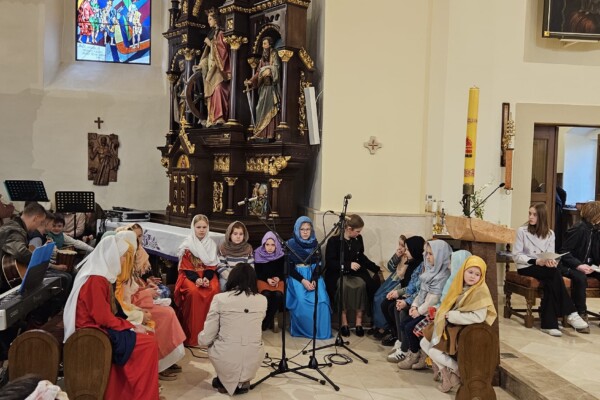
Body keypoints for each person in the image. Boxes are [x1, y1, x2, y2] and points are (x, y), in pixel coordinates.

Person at [62, 233, 160, 400]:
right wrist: (131, 326)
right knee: (147, 343)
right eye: (122, 256)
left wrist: (130, 325)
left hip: (98, 326)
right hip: (92, 330)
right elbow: (102, 318)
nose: (123, 260)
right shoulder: (96, 280)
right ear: (111, 257)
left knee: (147, 337)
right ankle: (140, 395)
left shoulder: (102, 276)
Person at [115, 229, 186, 380]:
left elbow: (133, 287)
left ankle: (167, 359)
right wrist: (146, 294)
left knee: (167, 311)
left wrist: (146, 288)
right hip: (128, 309)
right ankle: (160, 364)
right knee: (165, 315)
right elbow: (122, 300)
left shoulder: (127, 262)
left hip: (135, 303)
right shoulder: (119, 266)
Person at [420, 256, 497, 393]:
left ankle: (458, 370)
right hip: (451, 323)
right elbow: (448, 303)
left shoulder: (480, 291)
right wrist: (441, 311)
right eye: (470, 272)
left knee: (433, 351)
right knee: (424, 343)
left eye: (477, 274)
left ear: (482, 276)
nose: (473, 276)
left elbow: (479, 317)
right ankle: (446, 374)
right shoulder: (460, 285)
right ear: (463, 271)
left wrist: (454, 316)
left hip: (464, 329)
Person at [513, 203, 588, 336]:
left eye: (534, 215)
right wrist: (536, 261)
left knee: (551, 279)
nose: (530, 217)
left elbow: (550, 254)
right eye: (530, 213)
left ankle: (549, 325)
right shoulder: (522, 231)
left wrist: (550, 261)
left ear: (542, 216)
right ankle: (571, 313)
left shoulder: (550, 234)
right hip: (527, 266)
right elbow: (517, 255)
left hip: (544, 268)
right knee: (553, 274)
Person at [199, 263, 267, 396]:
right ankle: (242, 379)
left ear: (232, 278)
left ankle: (225, 379)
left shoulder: (220, 298)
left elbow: (208, 334)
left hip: (226, 355)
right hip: (253, 357)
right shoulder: (263, 300)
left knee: (211, 340)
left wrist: (202, 340)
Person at [397, 240, 451, 370]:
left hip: (431, 311)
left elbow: (433, 300)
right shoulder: (431, 270)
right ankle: (413, 351)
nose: (427, 257)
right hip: (422, 307)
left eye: (431, 254)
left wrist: (419, 311)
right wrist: (414, 306)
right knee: (404, 323)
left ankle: (417, 355)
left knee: (410, 327)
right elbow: (421, 292)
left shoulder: (443, 275)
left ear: (440, 256)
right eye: (426, 253)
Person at [325, 214, 380, 337]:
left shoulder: (358, 239)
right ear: (349, 229)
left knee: (362, 285)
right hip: (338, 272)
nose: (359, 234)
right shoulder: (334, 241)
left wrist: (375, 267)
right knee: (343, 287)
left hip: (355, 272)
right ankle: (344, 323)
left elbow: (361, 257)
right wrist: (348, 265)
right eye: (357, 231)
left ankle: (358, 322)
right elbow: (330, 262)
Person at [174, 214, 220, 347]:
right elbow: (186, 267)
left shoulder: (211, 244)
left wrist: (206, 278)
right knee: (194, 292)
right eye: (198, 227)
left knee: (214, 289)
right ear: (193, 227)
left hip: (206, 275)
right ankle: (192, 336)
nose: (201, 230)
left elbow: (212, 265)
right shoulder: (187, 245)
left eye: (204, 227)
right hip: (189, 275)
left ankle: (210, 334)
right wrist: (196, 280)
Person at [286, 216, 332, 339]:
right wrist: (303, 281)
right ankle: (304, 330)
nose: (305, 232)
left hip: (313, 276)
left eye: (308, 229)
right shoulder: (290, 244)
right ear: (297, 230)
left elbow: (319, 264)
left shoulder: (315, 244)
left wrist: (314, 279)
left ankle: (321, 332)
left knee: (322, 301)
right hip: (297, 277)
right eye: (302, 229)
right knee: (302, 301)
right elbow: (289, 268)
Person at [380, 236, 426, 352]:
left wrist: (406, 300)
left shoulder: (421, 265)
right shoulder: (411, 262)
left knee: (396, 308)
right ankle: (397, 336)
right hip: (409, 294)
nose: (405, 251)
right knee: (385, 302)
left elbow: (420, 290)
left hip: (417, 299)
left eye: (407, 249)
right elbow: (410, 284)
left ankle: (404, 346)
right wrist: (397, 292)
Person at [559, 200, 600, 328]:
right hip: (570, 266)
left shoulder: (596, 230)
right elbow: (563, 252)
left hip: (589, 267)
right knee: (580, 278)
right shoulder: (578, 229)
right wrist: (579, 265)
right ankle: (581, 313)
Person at [0, 202, 47, 293]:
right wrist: (40, 263)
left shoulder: (14, 225)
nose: (39, 226)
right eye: (41, 222)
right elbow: (20, 252)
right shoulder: (15, 230)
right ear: (36, 218)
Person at [197, 7, 230, 127]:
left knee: (218, 89)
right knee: (210, 91)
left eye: (210, 19)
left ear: (216, 20)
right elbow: (208, 56)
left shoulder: (221, 33)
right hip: (211, 68)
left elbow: (223, 51)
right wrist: (201, 65)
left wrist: (210, 44)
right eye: (208, 19)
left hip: (219, 69)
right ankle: (211, 118)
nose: (208, 22)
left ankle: (219, 117)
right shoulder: (213, 34)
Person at [244, 36, 281, 140]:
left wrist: (269, 70)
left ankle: (270, 134)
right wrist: (251, 81)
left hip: (271, 87)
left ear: (270, 44)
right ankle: (261, 133)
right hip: (263, 88)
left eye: (265, 44)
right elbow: (258, 72)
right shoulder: (262, 58)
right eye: (263, 44)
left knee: (271, 109)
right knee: (259, 108)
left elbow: (277, 68)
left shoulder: (274, 54)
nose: (263, 46)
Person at [254, 231, 285, 331]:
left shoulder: (281, 254)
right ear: (263, 244)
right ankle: (266, 320)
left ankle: (267, 321)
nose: (270, 247)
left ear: (276, 245)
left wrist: (278, 278)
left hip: (277, 280)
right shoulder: (258, 253)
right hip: (263, 279)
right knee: (266, 294)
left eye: (273, 245)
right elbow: (257, 272)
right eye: (267, 244)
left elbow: (283, 271)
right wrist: (267, 279)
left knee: (278, 295)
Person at [217, 221, 254, 291]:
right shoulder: (223, 248)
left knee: (248, 289)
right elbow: (220, 265)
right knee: (223, 287)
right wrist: (230, 278)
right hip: (227, 276)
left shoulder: (248, 248)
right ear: (229, 235)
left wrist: (242, 279)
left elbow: (250, 267)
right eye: (235, 234)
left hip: (243, 277)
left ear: (244, 235)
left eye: (241, 234)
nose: (238, 236)